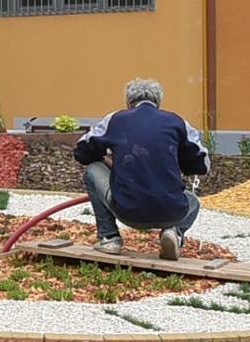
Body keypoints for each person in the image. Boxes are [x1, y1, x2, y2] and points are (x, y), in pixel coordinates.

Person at [72, 78, 210, 260]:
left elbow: (82, 151)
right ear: (158, 102)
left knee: (93, 169)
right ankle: (174, 232)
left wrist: (105, 159)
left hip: (128, 211)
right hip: (171, 212)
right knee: (193, 202)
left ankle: (109, 238)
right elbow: (201, 165)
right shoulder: (177, 122)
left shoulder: (115, 120)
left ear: (128, 102)